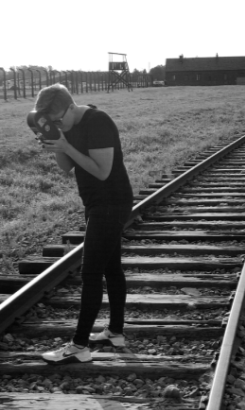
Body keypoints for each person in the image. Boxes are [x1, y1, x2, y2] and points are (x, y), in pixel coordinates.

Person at [34, 84, 133, 364]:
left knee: (90, 274)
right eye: (50, 123)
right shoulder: (68, 124)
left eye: (57, 120)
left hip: (110, 202)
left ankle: (79, 346)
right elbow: (67, 167)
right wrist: (55, 143)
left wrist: (66, 144)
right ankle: (115, 331)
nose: (56, 124)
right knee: (111, 268)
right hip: (96, 203)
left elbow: (102, 172)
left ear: (70, 106)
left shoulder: (98, 122)